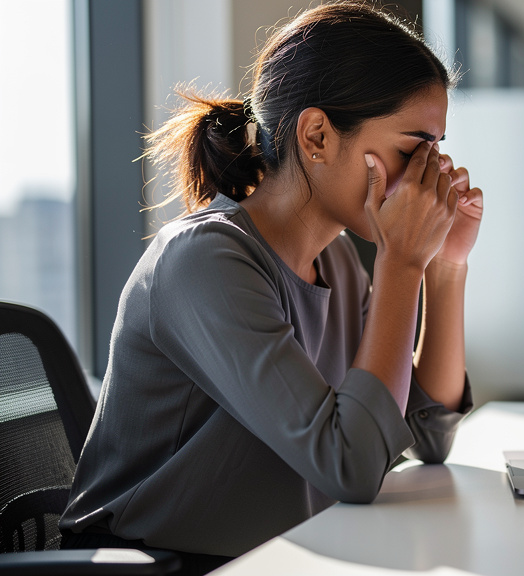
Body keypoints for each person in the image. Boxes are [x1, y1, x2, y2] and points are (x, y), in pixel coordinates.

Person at [59, 2, 482, 573]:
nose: (430, 177)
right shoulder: (204, 260)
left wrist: (445, 266)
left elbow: (424, 433)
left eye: (437, 149)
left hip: (271, 557)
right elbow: (351, 467)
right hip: (161, 564)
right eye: (413, 150)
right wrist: (402, 262)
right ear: (317, 136)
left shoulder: (335, 261)